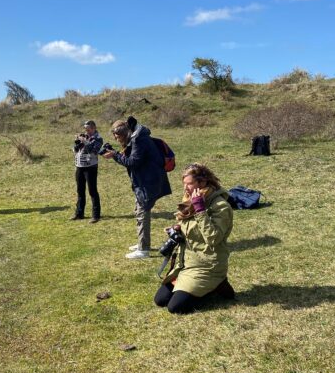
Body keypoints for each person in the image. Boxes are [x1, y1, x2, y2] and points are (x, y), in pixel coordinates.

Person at [154, 163, 235, 314]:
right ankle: (205, 288)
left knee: (175, 307)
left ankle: (216, 284)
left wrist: (200, 210)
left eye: (190, 184)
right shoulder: (191, 199)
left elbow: (213, 238)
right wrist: (176, 229)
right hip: (186, 264)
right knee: (160, 300)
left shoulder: (221, 206)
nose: (186, 188)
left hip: (208, 265)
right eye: (184, 184)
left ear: (202, 183)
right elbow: (189, 226)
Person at [101, 116, 171, 259]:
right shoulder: (138, 138)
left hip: (148, 182)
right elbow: (132, 158)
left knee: (142, 213)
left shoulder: (139, 140)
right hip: (145, 181)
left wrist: (115, 155)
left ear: (125, 132)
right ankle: (142, 243)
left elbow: (133, 162)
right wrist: (116, 153)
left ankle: (143, 250)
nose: (116, 139)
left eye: (118, 136)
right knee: (140, 211)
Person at [71, 120, 103, 223]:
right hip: (79, 166)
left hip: (91, 167)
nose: (86, 131)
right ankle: (79, 213)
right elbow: (75, 150)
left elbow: (93, 151)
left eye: (88, 129)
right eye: (85, 129)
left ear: (94, 128)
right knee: (80, 191)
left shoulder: (98, 138)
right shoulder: (84, 136)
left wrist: (85, 141)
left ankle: (96, 215)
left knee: (92, 191)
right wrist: (77, 142)